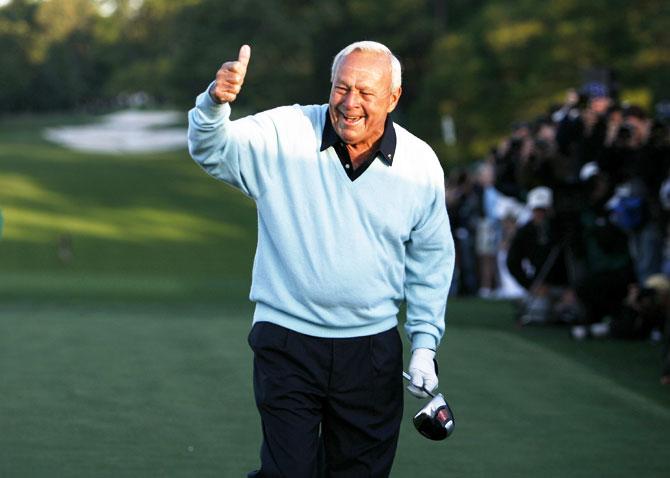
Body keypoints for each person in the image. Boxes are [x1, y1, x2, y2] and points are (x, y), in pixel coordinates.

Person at [187, 41, 455, 477]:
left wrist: (424, 345)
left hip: (370, 352)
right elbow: (211, 149)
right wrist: (214, 104)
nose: (350, 103)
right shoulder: (286, 132)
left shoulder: (420, 164)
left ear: (393, 97)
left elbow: (432, 260)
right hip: (288, 339)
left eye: (366, 93)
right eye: (341, 88)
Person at [506, 186, 579, 324]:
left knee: (574, 313)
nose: (540, 214)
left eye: (543, 210)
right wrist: (531, 285)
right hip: (541, 286)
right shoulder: (525, 232)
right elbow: (512, 262)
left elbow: (575, 261)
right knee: (540, 315)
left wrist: (572, 288)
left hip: (565, 286)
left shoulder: (563, 231)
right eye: (536, 210)